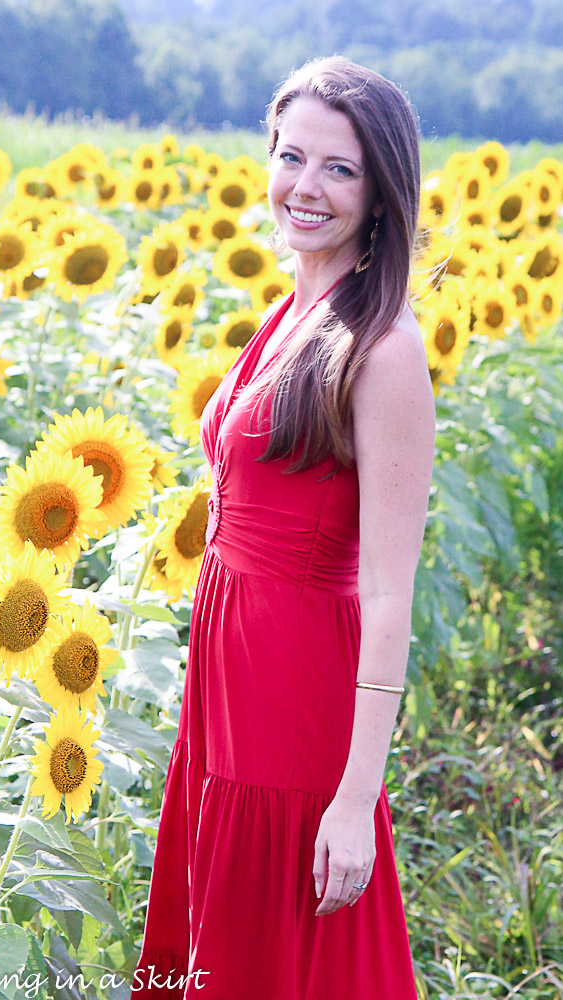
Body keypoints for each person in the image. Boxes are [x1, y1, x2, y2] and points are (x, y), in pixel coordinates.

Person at [130, 55, 435, 999]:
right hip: (225, 689)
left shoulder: (382, 351)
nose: (304, 187)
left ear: (381, 193)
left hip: (298, 702)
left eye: (337, 168)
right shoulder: (287, 316)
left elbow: (387, 594)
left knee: (279, 956)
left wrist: (354, 800)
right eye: (290, 156)